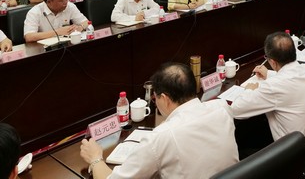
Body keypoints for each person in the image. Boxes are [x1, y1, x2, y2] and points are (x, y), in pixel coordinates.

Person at [80, 62, 239, 179]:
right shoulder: (222, 107)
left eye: (155, 98)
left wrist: (95, 159)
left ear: (164, 98)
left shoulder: (161, 137)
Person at [231, 32, 305, 145]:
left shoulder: (273, 87)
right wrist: (268, 74)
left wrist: (249, 90)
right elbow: (289, 79)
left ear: (272, 62)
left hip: (294, 151)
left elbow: (235, 110)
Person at [24, 0, 88, 43]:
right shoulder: (35, 12)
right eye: (61, 0)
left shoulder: (70, 6)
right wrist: (58, 32)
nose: (65, 2)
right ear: (49, 2)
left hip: (66, 44)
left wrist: (80, 28)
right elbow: (29, 37)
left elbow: (86, 22)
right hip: (45, 48)